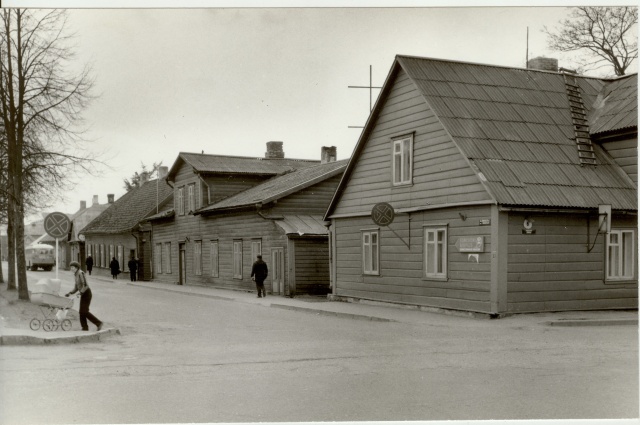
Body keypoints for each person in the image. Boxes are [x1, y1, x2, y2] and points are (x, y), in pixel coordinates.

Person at [65, 261, 103, 331]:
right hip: (83, 294)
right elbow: (76, 287)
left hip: (87, 293)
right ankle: (84, 327)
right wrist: (70, 293)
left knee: (84, 311)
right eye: (71, 267)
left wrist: (81, 293)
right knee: (81, 311)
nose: (71, 269)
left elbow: (85, 285)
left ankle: (99, 323)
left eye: (73, 267)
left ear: (76, 267)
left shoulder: (81, 273)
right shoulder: (75, 275)